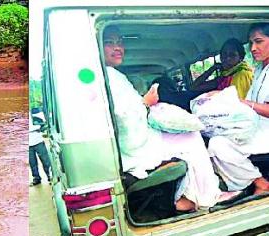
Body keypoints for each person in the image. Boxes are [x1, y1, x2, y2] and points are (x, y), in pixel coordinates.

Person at [103, 26, 235, 212]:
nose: (117, 48)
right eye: (109, 42)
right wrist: (146, 103)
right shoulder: (108, 77)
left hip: (136, 139)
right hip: (134, 147)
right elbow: (123, 117)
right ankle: (207, 195)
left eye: (120, 42)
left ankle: (188, 196)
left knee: (188, 137)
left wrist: (146, 107)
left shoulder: (112, 76)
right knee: (191, 137)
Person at [208, 23, 269, 194]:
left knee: (219, 146)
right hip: (254, 128)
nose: (253, 48)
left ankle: (259, 183)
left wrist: (240, 102)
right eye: (251, 43)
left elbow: (247, 103)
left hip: (265, 133)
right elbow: (247, 103)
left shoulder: (248, 72)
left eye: (259, 42)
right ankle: (257, 182)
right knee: (215, 139)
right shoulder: (259, 70)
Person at [29, 106, 51, 186]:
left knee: (45, 160)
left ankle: (50, 176)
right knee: (32, 163)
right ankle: (36, 178)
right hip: (28, 144)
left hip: (38, 140)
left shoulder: (35, 113)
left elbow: (44, 124)